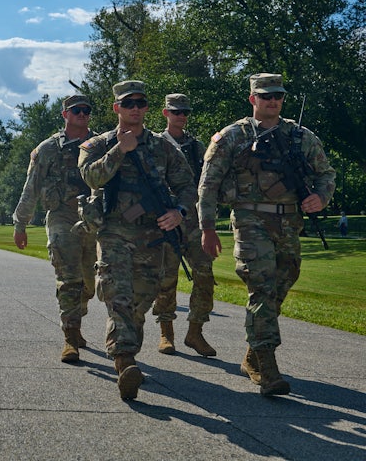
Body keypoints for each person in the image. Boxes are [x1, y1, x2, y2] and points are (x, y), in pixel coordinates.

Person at [198, 73, 336, 396]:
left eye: (278, 95)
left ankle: (251, 356)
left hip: (289, 224)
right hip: (249, 221)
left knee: (281, 284)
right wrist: (207, 227)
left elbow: (326, 174)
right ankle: (268, 368)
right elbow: (208, 185)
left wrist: (321, 196)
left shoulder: (301, 137)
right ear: (253, 99)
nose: (272, 100)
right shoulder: (232, 137)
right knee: (262, 288)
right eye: (265, 95)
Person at [78, 81, 196, 400]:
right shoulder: (98, 144)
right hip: (114, 232)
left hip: (153, 236)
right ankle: (125, 361)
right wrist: (120, 150)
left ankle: (127, 353)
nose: (135, 109)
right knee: (119, 296)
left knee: (142, 302)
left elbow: (187, 186)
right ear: (116, 108)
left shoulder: (163, 147)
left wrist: (179, 212)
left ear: (146, 108)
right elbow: (90, 177)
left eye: (140, 103)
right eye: (128, 103)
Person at [12, 94, 98, 364]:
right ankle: (70, 338)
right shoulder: (48, 149)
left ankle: (77, 320)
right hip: (62, 216)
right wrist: (20, 223)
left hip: (94, 220)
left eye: (86, 110)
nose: (82, 114)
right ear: (65, 114)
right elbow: (32, 187)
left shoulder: (100, 144)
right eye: (76, 110)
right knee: (69, 278)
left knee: (90, 286)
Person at [152, 94, 217, 357]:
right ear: (166, 113)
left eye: (184, 112)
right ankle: (166, 332)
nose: (181, 116)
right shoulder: (155, 143)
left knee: (205, 273)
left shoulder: (195, 145)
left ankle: (195, 331)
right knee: (167, 278)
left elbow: (207, 178)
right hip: (165, 218)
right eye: (176, 112)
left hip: (191, 217)